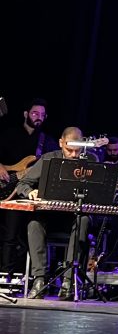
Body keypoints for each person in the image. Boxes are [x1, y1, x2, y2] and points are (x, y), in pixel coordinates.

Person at [15, 126, 95, 299]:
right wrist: (30, 192)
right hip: (50, 217)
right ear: (61, 143)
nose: (73, 155)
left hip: (74, 218)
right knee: (34, 223)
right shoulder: (48, 159)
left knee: (84, 220)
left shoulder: (91, 161)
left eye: (77, 150)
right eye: (69, 150)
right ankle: (39, 279)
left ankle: (68, 281)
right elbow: (22, 183)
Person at [0, 97, 59, 275]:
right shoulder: (9, 134)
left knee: (33, 235)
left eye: (42, 114)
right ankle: (6, 274)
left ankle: (32, 275)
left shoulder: (48, 142)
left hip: (33, 194)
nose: (38, 117)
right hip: (10, 191)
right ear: (26, 114)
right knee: (10, 235)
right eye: (35, 113)